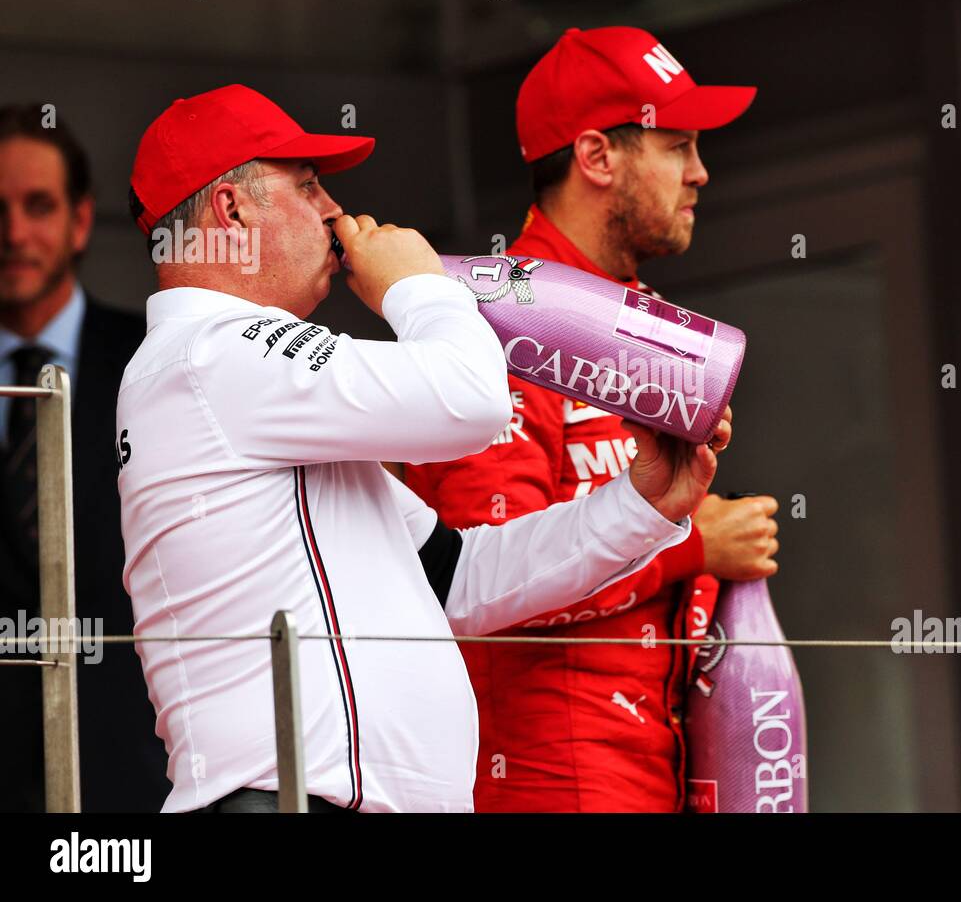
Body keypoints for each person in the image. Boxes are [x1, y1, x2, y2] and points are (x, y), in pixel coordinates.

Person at [119, 83, 730, 812]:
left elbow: (461, 578)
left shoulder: (252, 381)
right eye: (309, 187)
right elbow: (471, 400)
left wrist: (641, 503)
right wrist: (418, 284)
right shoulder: (211, 352)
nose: (335, 214)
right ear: (233, 210)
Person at [403, 26, 779, 812]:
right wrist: (697, 543)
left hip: (649, 772)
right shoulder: (500, 327)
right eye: (676, 146)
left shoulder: (637, 320)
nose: (701, 173)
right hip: (546, 784)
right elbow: (477, 586)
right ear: (598, 157)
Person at [0, 104, 169, 812]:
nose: (13, 233)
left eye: (38, 206)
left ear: (78, 222)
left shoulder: (156, 364)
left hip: (134, 767)